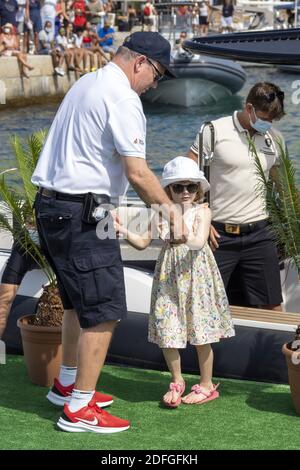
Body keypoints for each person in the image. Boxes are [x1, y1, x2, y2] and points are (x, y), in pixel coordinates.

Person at [31, 31, 188, 433]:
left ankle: (67, 385)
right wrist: (172, 215)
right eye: (157, 74)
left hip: (51, 206)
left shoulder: (87, 82)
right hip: (82, 212)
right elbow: (138, 171)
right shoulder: (123, 97)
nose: (155, 83)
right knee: (105, 311)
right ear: (139, 63)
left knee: (75, 304)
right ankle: (79, 409)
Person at [113, 156, 235, 407]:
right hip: (169, 276)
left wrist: (179, 236)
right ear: (168, 189)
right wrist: (123, 231)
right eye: (178, 187)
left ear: (198, 188)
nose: (186, 192)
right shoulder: (159, 212)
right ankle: (177, 381)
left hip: (197, 275)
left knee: (201, 330)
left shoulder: (203, 210)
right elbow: (143, 243)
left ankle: (206, 385)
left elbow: (199, 242)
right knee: (167, 326)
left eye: (191, 186)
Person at [188, 82, 286, 311]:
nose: (268, 125)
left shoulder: (274, 139)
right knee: (207, 305)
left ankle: (276, 346)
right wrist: (198, 217)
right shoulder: (213, 131)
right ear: (249, 108)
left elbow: (283, 186)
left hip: (261, 235)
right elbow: (186, 175)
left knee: (273, 304)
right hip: (218, 236)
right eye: (265, 118)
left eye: (272, 120)